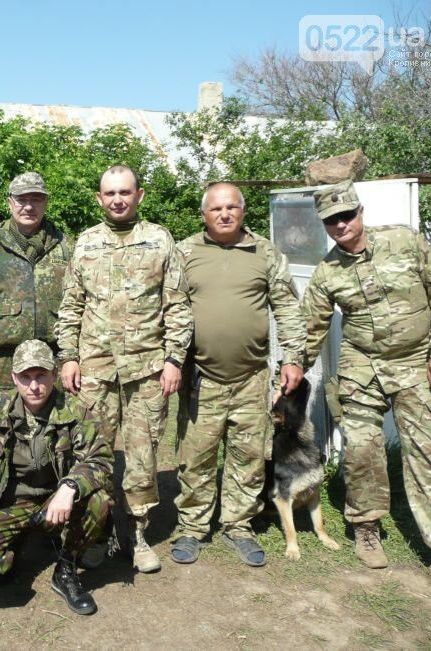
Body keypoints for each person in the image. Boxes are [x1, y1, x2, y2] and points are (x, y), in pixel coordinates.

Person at [303, 180, 431, 607]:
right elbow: (311, 328)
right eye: (331, 220)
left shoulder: (406, 241)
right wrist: (291, 366)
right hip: (362, 365)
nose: (340, 225)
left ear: (360, 212)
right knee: (361, 447)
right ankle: (366, 527)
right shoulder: (327, 273)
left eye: (346, 215)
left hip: (418, 360)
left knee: (429, 455)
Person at [55, 165, 193, 573]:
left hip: (147, 371)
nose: (118, 199)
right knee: (91, 452)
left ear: (140, 195)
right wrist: (68, 357)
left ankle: (137, 533)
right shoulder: (87, 243)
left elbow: (178, 306)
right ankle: (95, 531)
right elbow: (71, 306)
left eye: (125, 192)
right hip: (94, 371)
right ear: (99, 198)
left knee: (142, 455)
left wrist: (173, 360)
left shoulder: (160, 240)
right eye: (110, 193)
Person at [171, 182, 306, 568]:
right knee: (196, 457)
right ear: (204, 214)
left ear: (243, 211)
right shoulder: (184, 253)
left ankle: (238, 525)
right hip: (201, 378)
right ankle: (192, 527)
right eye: (216, 209)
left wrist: (293, 359)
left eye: (232, 207)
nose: (225, 214)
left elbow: (287, 308)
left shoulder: (265, 252)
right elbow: (170, 307)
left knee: (247, 456)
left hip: (251, 377)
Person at [0, 339, 112, 615]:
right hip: (9, 505)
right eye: (25, 377)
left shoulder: (75, 411)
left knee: (100, 500)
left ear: (54, 374)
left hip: (56, 504)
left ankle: (66, 567)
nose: (34, 386)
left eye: (41, 376)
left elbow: (101, 458)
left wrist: (70, 487)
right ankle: (15, 547)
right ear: (14, 377)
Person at [0, 172, 73, 394]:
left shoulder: (66, 246)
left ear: (46, 202)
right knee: (2, 422)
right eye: (22, 200)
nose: (29, 207)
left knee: (55, 423)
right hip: (0, 362)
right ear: (10, 202)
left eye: (36, 200)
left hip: (51, 359)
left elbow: (79, 304)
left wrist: (73, 358)